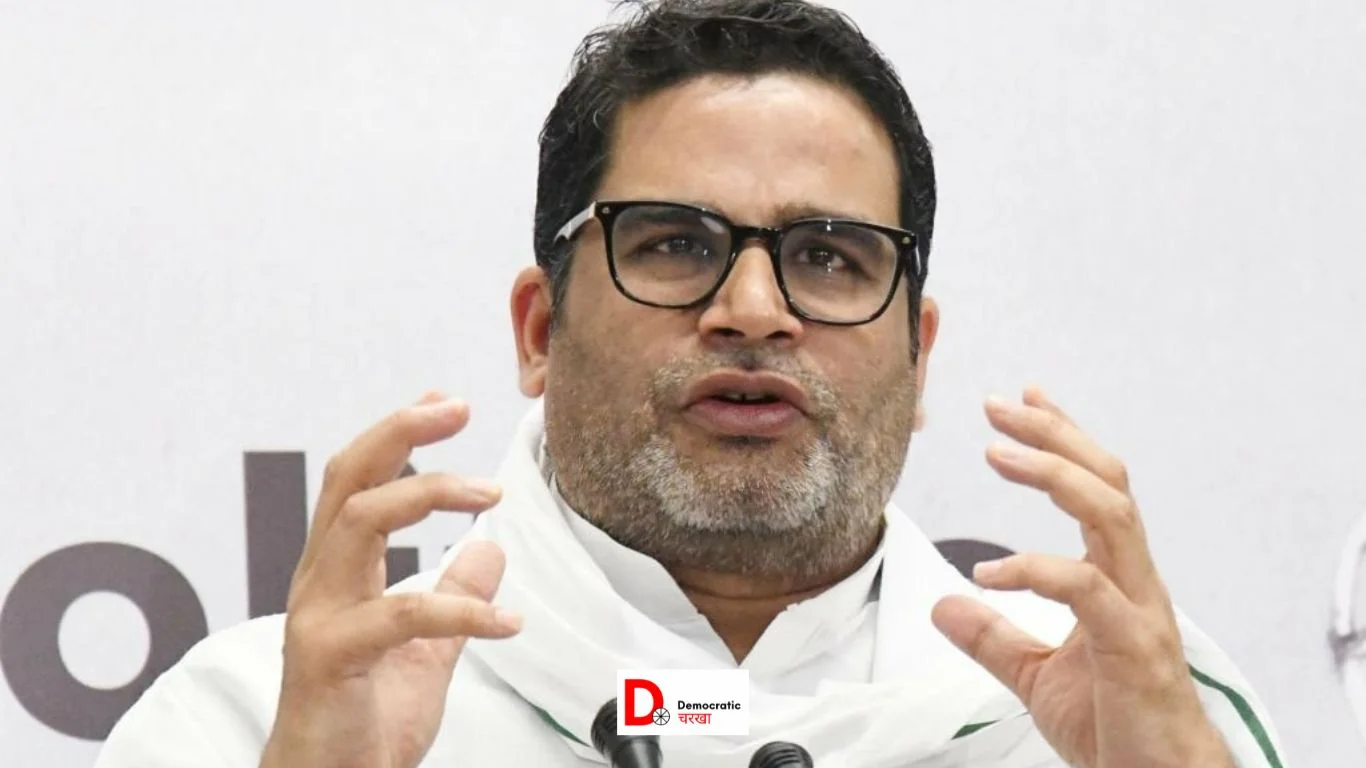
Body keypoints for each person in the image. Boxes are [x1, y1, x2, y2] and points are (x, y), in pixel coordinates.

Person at [95, 1, 1286, 766]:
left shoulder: (1119, 714)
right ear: (539, 330)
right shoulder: (256, 720)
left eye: (828, 256)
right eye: (674, 242)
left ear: (918, 356)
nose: (754, 309)